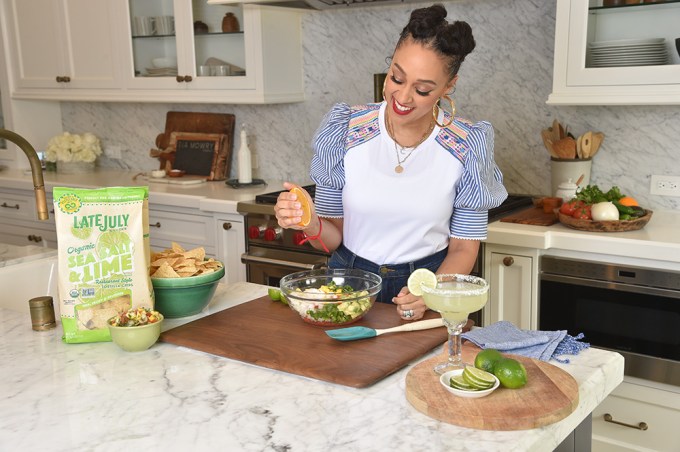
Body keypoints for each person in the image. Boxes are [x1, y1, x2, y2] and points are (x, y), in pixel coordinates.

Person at [274, 4, 507, 321]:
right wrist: (309, 223)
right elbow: (332, 240)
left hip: (424, 285)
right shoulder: (344, 130)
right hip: (349, 284)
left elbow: (464, 249)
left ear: (448, 86)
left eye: (422, 89)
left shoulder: (468, 145)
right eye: (397, 77)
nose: (403, 97)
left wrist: (430, 292)